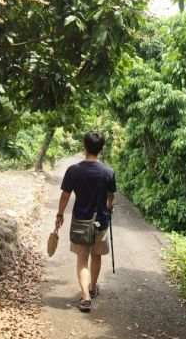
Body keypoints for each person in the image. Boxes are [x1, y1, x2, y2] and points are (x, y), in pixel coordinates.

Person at [55, 131, 116, 312]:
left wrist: (59, 215)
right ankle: (92, 287)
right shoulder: (108, 172)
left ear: (84, 147)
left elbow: (65, 196)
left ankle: (86, 297)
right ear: (101, 149)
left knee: (82, 260)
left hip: (81, 222)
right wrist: (109, 206)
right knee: (96, 256)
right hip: (101, 222)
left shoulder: (74, 170)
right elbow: (111, 195)